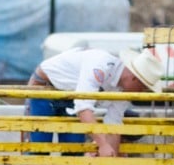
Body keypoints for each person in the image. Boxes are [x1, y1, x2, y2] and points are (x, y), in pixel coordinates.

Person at [27, 47, 164, 157]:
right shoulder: (100, 65)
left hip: (70, 95)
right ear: (135, 79)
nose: (140, 93)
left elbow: (113, 121)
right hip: (46, 87)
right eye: (142, 87)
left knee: (74, 150)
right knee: (39, 147)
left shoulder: (122, 90)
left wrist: (112, 155)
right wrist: (103, 144)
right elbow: (83, 108)